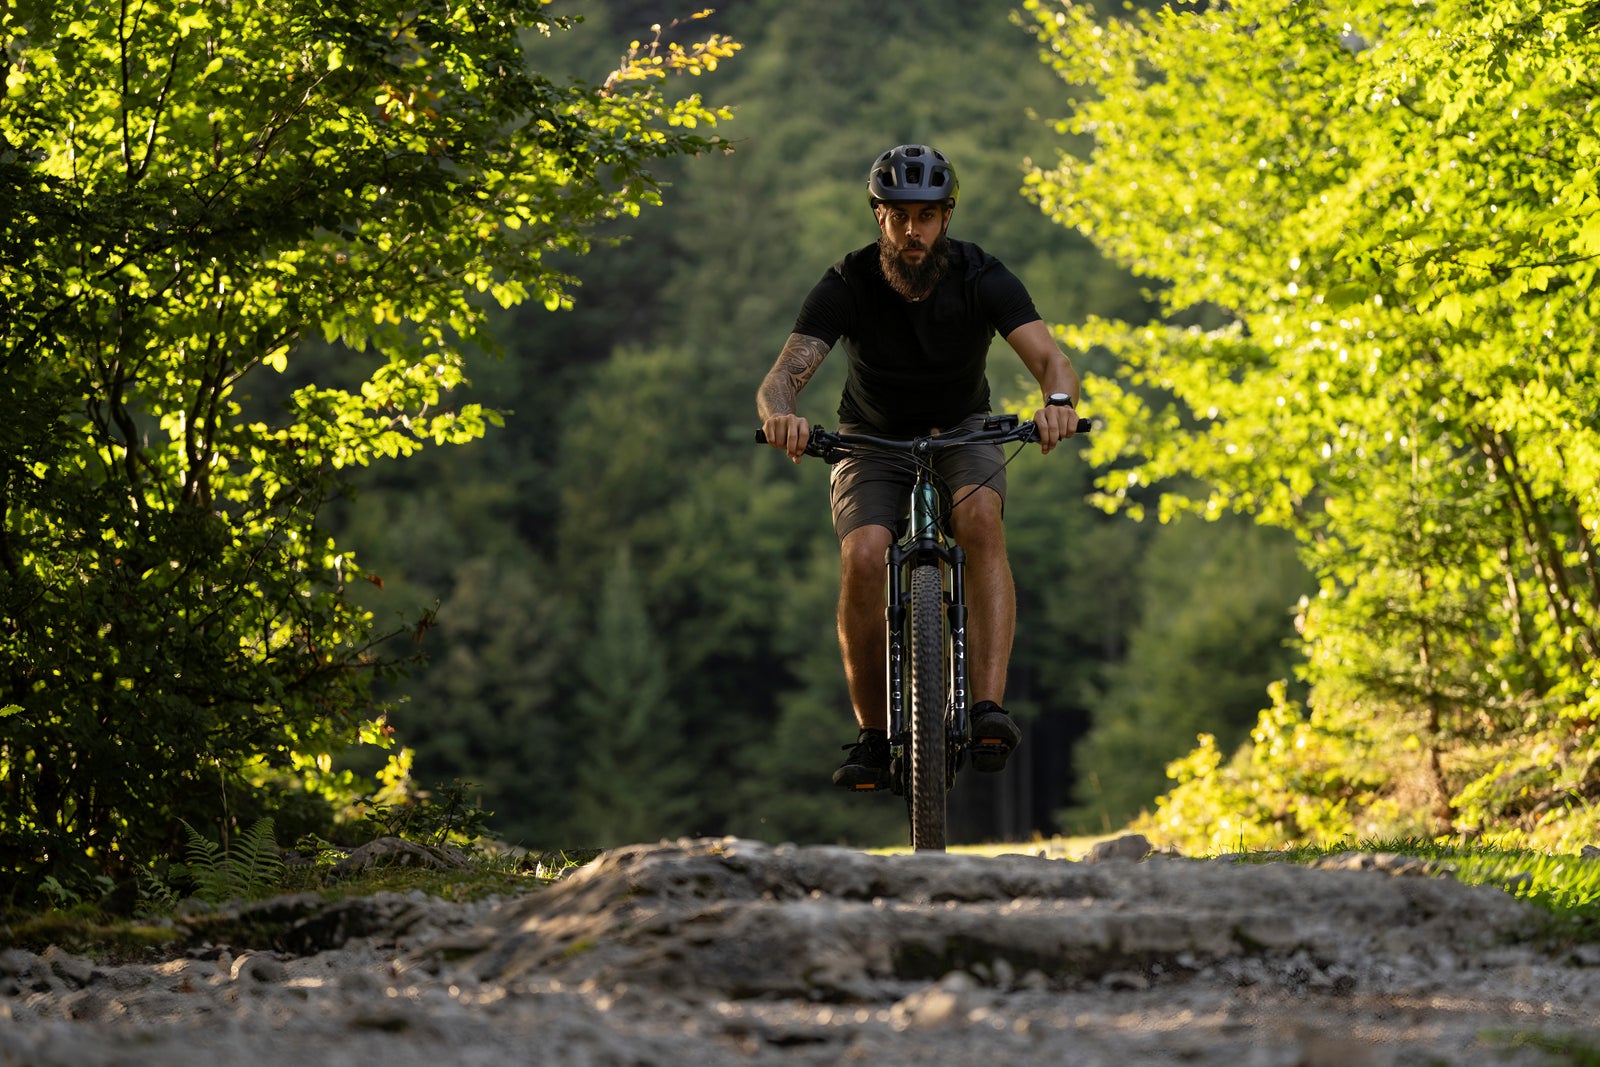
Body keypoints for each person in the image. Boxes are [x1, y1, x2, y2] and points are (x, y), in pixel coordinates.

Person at [756, 143, 1082, 790]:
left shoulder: (982, 276)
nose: (913, 230)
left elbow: (1051, 361)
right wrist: (781, 414)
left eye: (927, 215)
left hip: (964, 429)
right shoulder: (847, 284)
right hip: (870, 439)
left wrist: (1058, 404)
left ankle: (987, 707)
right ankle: (874, 735)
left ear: (946, 216)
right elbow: (781, 378)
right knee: (864, 553)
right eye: (899, 215)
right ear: (878, 216)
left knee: (981, 516)